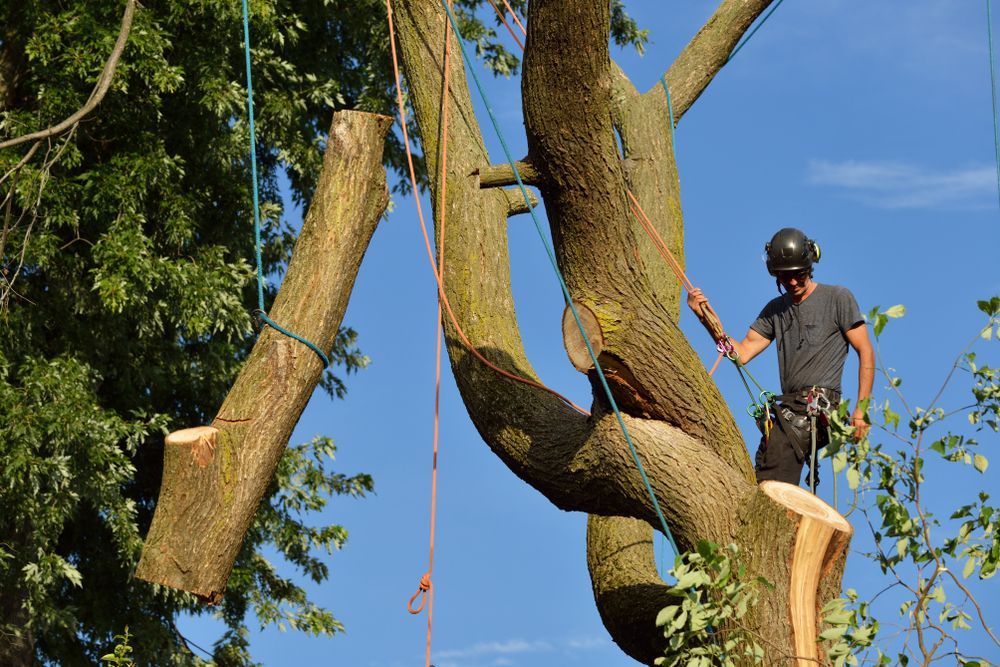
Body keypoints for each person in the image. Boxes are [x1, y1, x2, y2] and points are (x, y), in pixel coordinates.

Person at [687, 227, 875, 488]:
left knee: (774, 477)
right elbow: (741, 353)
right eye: (785, 278)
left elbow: (865, 351)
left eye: (798, 275)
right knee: (764, 465)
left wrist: (861, 410)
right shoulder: (775, 310)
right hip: (789, 408)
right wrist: (705, 318)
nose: (793, 283)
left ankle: (775, 519)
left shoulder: (837, 298)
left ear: (810, 266)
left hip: (818, 406)